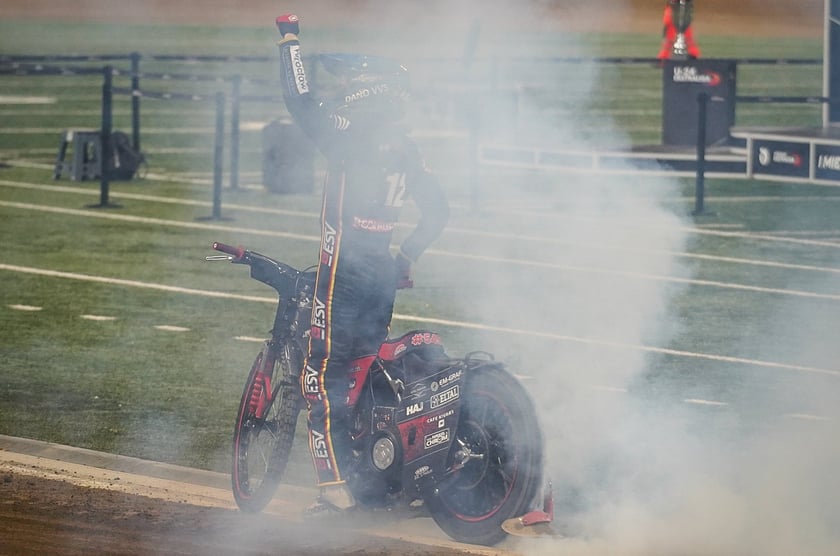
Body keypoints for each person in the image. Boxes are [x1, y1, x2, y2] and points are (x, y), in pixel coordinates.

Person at [275, 14, 449, 515]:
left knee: (322, 378)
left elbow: (298, 97)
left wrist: (289, 39)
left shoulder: (345, 133)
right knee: (366, 372)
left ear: (367, 89)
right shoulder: (406, 147)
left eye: (349, 82)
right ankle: (375, 475)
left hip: (342, 278)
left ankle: (334, 491)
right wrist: (406, 257)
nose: (343, 89)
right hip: (382, 278)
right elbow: (438, 211)